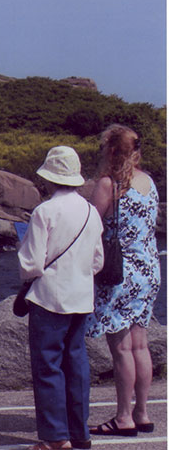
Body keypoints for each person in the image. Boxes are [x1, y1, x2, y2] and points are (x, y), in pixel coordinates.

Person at [18, 146, 104, 450]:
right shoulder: (91, 212)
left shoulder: (44, 211)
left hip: (49, 298)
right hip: (82, 297)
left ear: (49, 178)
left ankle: (56, 437)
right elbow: (97, 262)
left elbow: (31, 265)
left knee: (48, 367)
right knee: (76, 364)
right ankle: (79, 432)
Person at [86, 124, 161, 437]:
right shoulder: (148, 182)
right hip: (149, 269)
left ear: (113, 150)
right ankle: (142, 412)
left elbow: (89, 226)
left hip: (119, 272)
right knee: (140, 345)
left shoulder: (109, 184)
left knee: (121, 349)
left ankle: (123, 417)